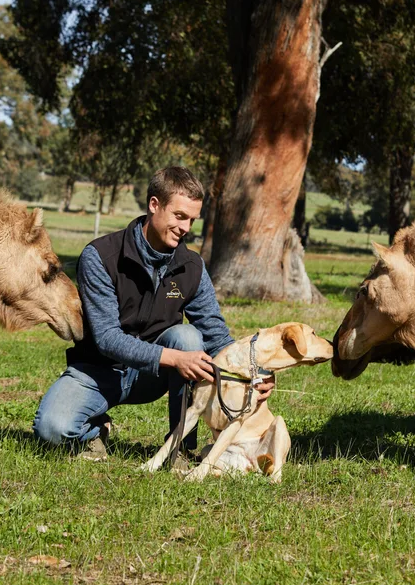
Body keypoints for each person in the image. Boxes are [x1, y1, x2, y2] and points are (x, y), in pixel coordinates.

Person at [33, 166, 274, 462]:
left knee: (188, 336)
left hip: (152, 376)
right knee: (51, 429)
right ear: (154, 205)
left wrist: (252, 375)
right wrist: (174, 359)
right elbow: (108, 338)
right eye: (179, 216)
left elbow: (216, 335)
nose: (186, 228)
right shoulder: (100, 257)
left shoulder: (191, 266)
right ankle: (94, 431)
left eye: (192, 220)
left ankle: (180, 449)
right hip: (97, 371)